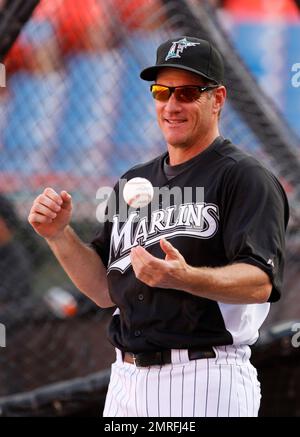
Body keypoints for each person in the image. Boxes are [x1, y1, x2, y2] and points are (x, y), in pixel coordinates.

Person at [28, 36, 289, 417]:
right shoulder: (134, 180)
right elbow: (104, 290)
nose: (171, 105)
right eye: (162, 91)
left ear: (216, 99)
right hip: (125, 380)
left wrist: (184, 277)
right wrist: (58, 235)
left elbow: (261, 282)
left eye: (187, 93)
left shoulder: (245, 178)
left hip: (203, 377)